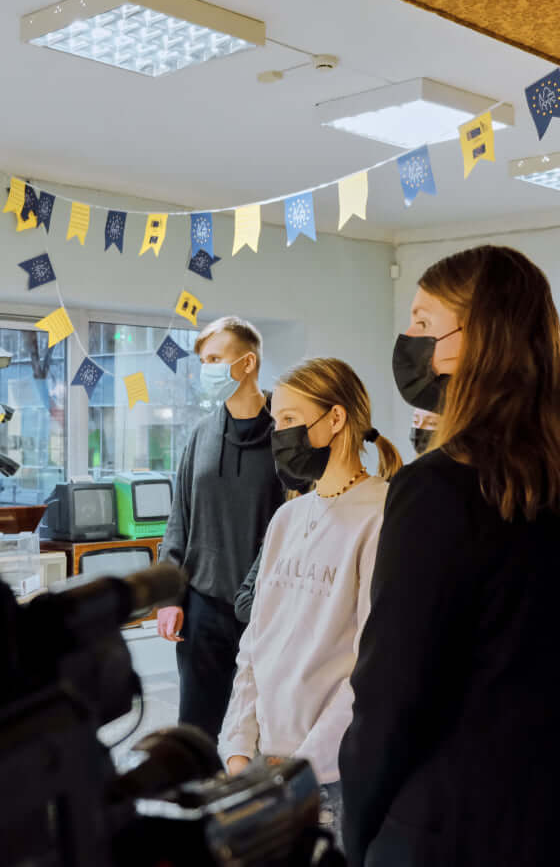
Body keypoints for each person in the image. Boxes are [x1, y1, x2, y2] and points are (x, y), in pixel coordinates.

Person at [340, 244, 560, 866]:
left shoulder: (436, 489)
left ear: (478, 341)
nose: (409, 339)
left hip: (462, 827)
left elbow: (392, 693)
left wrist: (359, 827)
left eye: (424, 323)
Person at [219, 357, 401, 844]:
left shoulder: (383, 515)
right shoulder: (288, 518)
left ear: (335, 418)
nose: (277, 434)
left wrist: (304, 764)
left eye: (289, 419)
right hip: (262, 764)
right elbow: (255, 644)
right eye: (275, 421)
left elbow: (372, 664)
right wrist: (238, 745)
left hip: (327, 773)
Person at [157, 316, 287, 739]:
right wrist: (169, 597)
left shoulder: (286, 437)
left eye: (215, 359)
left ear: (248, 363)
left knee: (262, 730)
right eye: (203, 361)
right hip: (203, 606)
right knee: (197, 730)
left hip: (267, 609)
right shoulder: (200, 435)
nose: (205, 370)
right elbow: (178, 520)